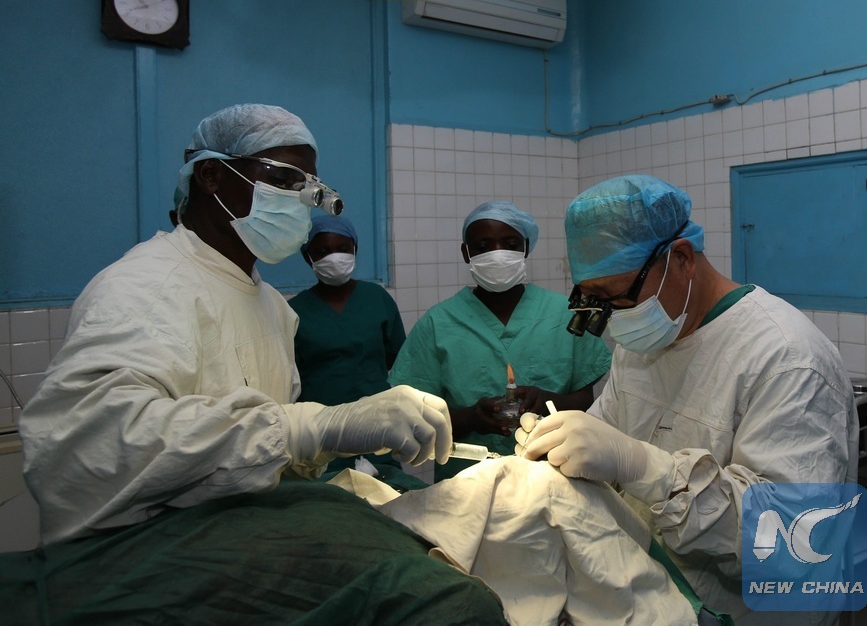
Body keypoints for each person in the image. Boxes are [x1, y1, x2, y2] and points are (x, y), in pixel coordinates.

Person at [18, 104, 456, 546]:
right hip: (146, 552)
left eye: (307, 188)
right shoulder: (145, 286)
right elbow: (81, 456)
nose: (299, 201)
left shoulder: (271, 306)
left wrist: (322, 447)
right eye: (283, 180)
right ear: (211, 175)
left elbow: (261, 457)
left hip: (243, 534)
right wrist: (316, 427)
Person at [516, 174, 859, 623]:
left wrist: (646, 469)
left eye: (616, 298)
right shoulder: (645, 341)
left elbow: (788, 540)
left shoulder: (788, 359)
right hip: (659, 596)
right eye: (593, 299)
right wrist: (563, 448)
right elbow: (607, 433)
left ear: (681, 259)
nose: (611, 319)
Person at [390, 200, 612, 481]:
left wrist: (547, 401)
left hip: (556, 477)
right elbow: (416, 419)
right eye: (483, 246)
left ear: (525, 248)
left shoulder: (563, 314)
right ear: (466, 253)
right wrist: (472, 418)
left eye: (510, 244)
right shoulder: (438, 323)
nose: (497, 254)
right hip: (467, 482)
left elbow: (585, 401)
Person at [290, 213, 414, 486]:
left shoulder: (377, 298)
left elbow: (398, 359)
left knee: (388, 492)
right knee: (329, 497)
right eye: (323, 251)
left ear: (355, 250)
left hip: (377, 426)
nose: (334, 257)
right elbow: (291, 379)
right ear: (308, 257)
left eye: (342, 248)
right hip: (321, 432)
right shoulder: (295, 312)